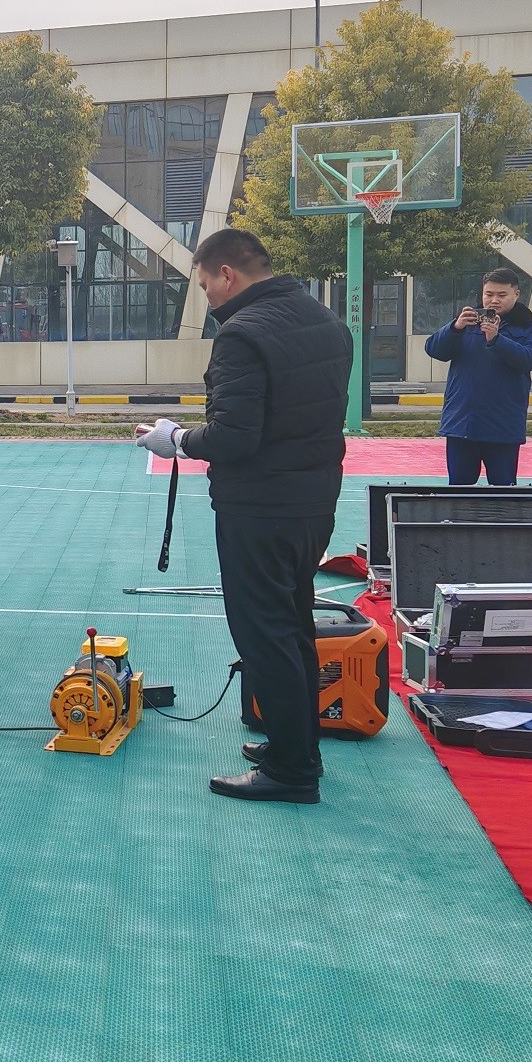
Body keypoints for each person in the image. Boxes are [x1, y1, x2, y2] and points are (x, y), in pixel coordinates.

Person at [137, 228, 350, 805]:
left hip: (260, 508)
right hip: (313, 502)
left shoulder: (241, 334)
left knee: (265, 635)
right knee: (294, 624)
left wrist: (174, 438)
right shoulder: (328, 323)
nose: (207, 296)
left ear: (226, 274)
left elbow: (234, 436)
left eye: (205, 284)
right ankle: (299, 747)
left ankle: (291, 771)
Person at [424, 267, 532, 486]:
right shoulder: (466, 323)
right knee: (459, 491)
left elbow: (530, 358)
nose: (494, 300)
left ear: (516, 294)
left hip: (503, 426)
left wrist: (496, 339)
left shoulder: (530, 327)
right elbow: (434, 349)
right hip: (462, 423)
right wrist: (455, 327)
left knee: (503, 491)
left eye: (502, 295)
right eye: (489, 294)